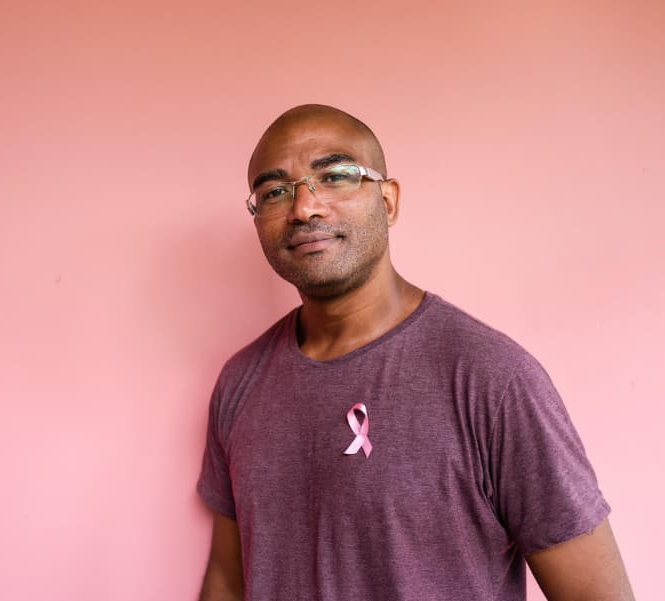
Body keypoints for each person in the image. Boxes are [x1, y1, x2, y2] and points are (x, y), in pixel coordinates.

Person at [196, 104, 634, 601]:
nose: (304, 207)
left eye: (336, 176)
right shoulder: (240, 383)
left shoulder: (492, 380)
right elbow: (228, 581)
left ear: (388, 200)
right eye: (275, 191)